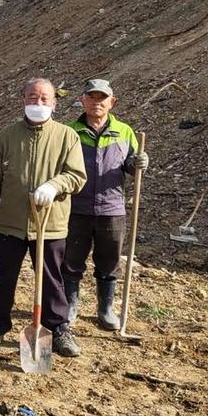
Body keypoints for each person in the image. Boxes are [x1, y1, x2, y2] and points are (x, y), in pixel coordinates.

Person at [0, 78, 87, 357]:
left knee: (51, 279)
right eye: (33, 98)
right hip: (10, 223)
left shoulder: (66, 136)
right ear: (22, 100)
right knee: (5, 277)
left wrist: (54, 185)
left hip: (50, 224)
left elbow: (76, 176)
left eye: (44, 99)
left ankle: (58, 329)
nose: (38, 103)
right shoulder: (6, 136)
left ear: (54, 103)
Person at [63, 79, 150, 329]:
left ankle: (106, 309)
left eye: (102, 98)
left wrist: (139, 162)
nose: (96, 102)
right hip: (76, 207)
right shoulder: (70, 131)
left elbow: (131, 166)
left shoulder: (124, 132)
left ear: (112, 102)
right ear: (82, 100)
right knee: (71, 261)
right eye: (91, 97)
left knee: (109, 261)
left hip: (111, 209)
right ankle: (70, 306)